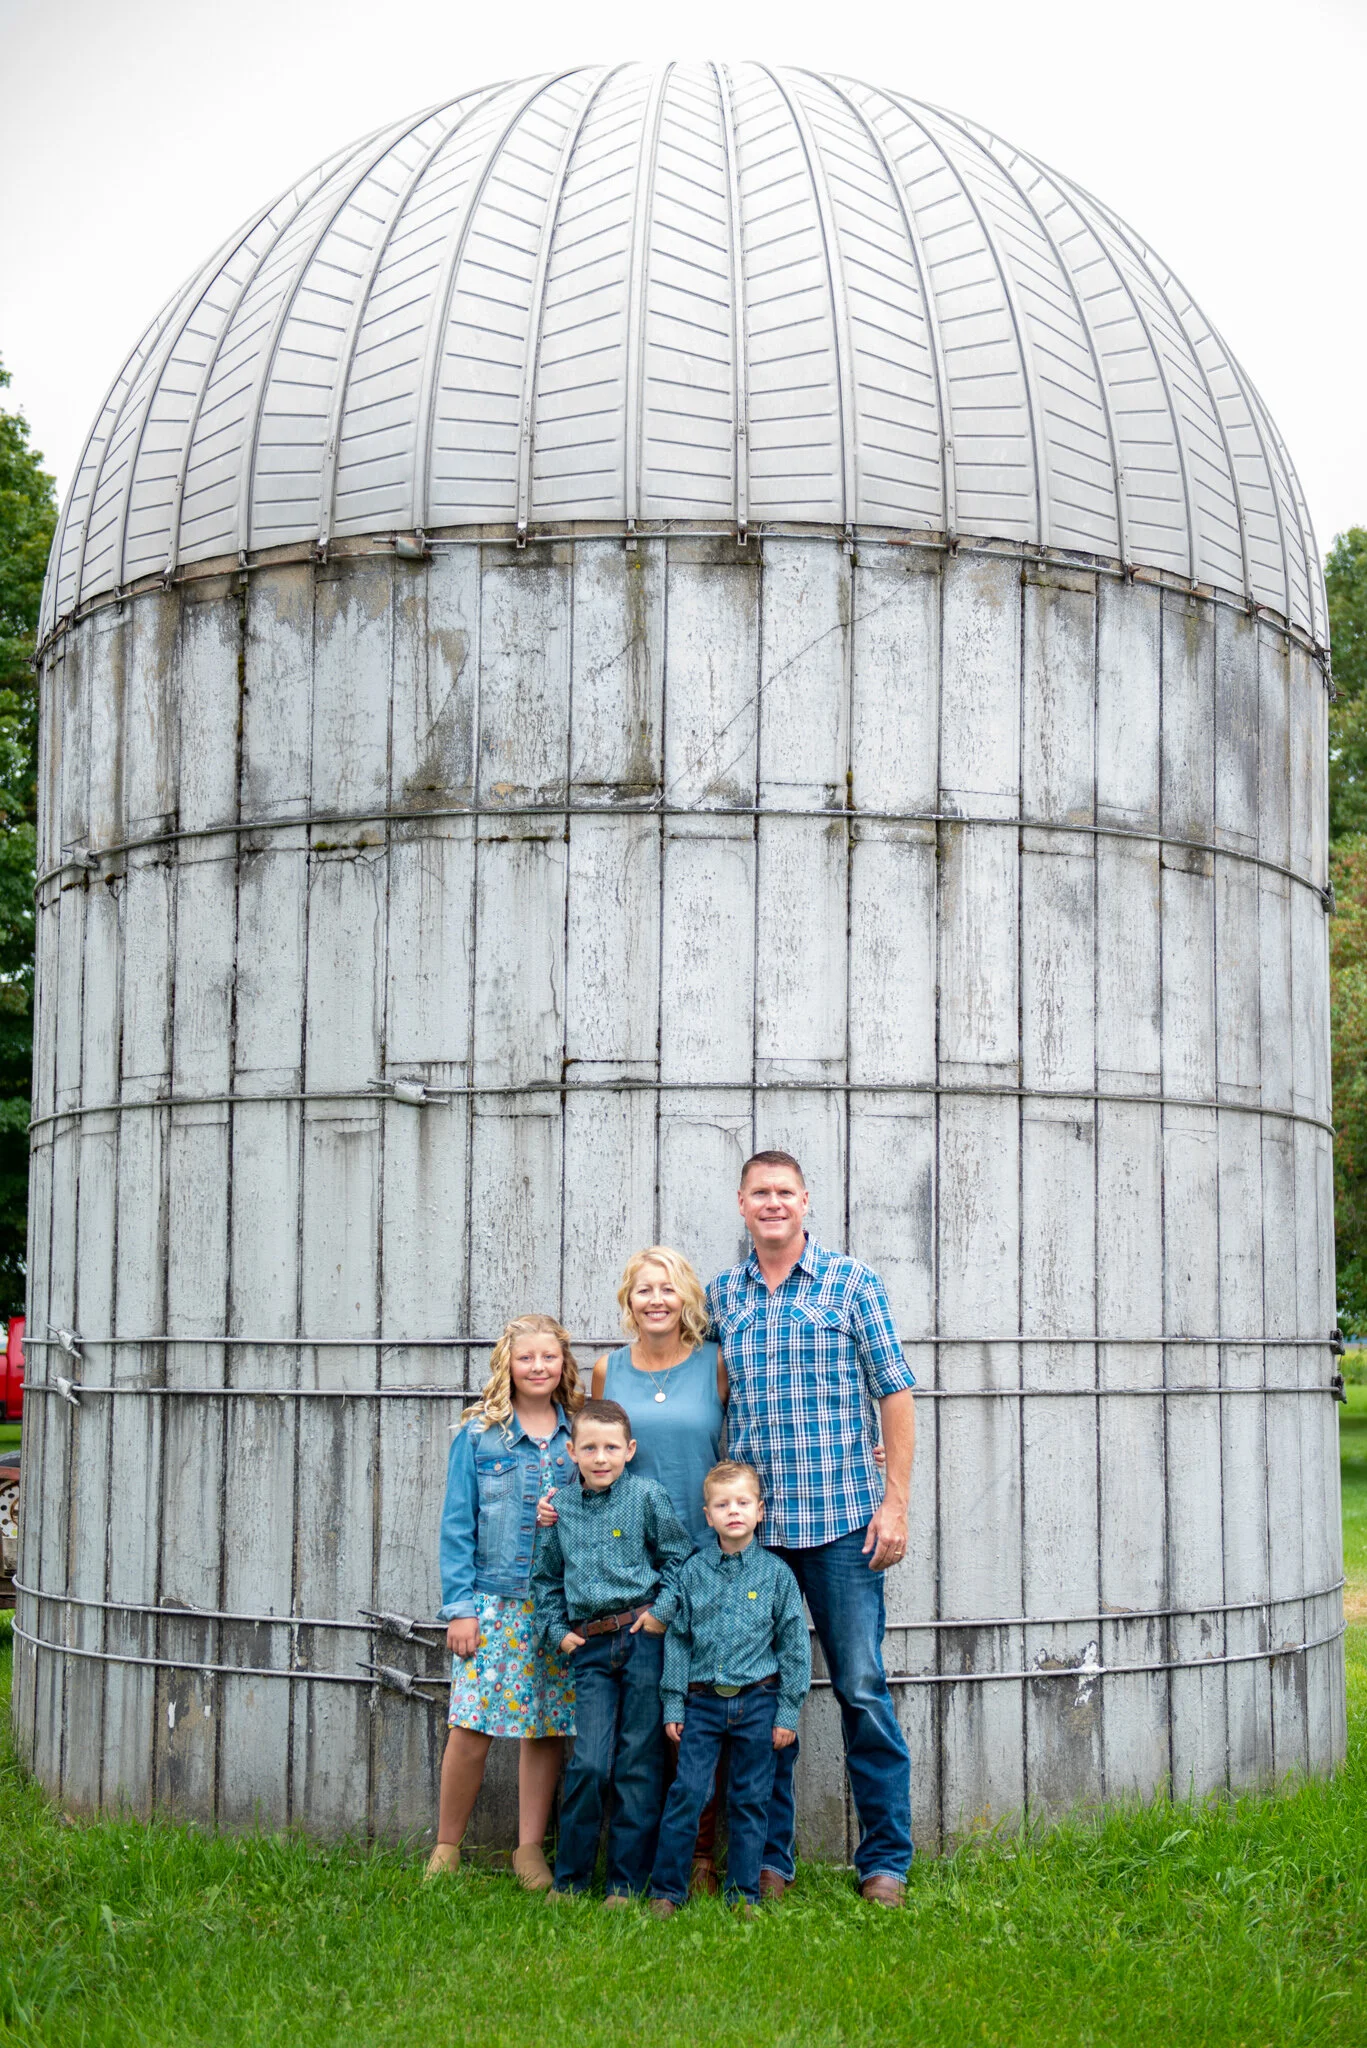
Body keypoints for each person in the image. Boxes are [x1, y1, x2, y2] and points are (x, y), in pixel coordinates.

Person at [708, 1150, 917, 1908]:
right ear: (741, 1204)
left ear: (805, 1201)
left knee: (860, 1688)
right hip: (755, 1537)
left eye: (784, 1192)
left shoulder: (850, 1283)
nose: (773, 1203)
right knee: (760, 1696)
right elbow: (705, 1398)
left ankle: (885, 1861)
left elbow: (895, 1392)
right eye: (760, 1193)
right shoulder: (721, 1297)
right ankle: (769, 1859)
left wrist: (894, 1504)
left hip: (841, 1525)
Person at [428, 1314, 583, 1889]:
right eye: (526, 1358)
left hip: (557, 1609)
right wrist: (460, 1608)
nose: (538, 1367)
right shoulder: (479, 1434)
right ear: (507, 1365)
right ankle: (446, 1847)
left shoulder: (578, 1436)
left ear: (564, 1364)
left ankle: (529, 1849)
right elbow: (457, 1526)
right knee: (472, 1724)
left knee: (545, 1728)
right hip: (494, 1604)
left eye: (549, 1357)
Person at [531, 1398, 693, 1901]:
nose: (601, 1458)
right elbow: (545, 1580)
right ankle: (571, 1879)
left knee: (638, 1760)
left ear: (630, 1449)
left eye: (611, 1448)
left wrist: (660, 1613)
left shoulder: (647, 1496)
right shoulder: (559, 1508)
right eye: (590, 1448)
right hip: (590, 1647)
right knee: (589, 1763)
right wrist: (556, 1631)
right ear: (572, 1452)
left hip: (642, 1637)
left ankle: (625, 1881)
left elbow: (677, 1558)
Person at [647, 1462, 810, 1916]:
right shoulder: (693, 1573)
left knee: (751, 1799)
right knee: (688, 1793)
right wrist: (673, 1702)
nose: (733, 1511)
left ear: (760, 1511)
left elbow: (794, 1648)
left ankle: (744, 1895)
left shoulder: (777, 1575)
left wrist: (787, 1712)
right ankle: (667, 1890)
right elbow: (678, 1640)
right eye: (723, 1505)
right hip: (701, 1703)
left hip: (758, 1702)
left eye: (742, 1503)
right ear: (708, 1515)